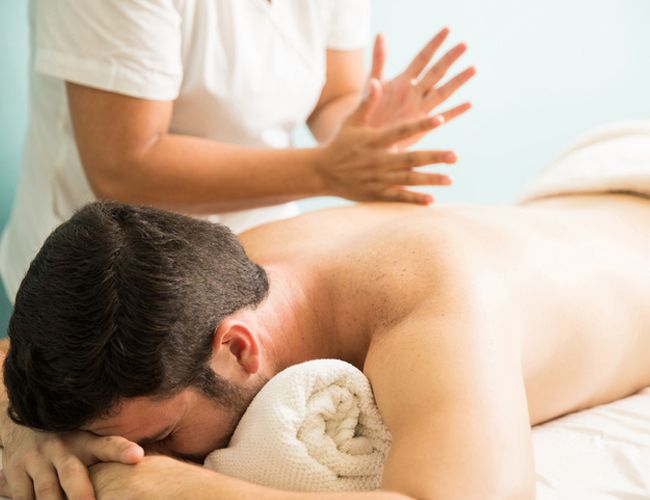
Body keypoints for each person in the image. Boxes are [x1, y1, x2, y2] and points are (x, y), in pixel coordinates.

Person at [2, 126, 650, 499]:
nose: (127, 455)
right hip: (573, 213)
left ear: (239, 348)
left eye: (162, 437)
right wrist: (30, 431)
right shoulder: (199, 281)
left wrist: (173, 486)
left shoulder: (430, 307)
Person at [0, 0, 475, 303]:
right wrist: (326, 172)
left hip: (258, 254)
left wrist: (364, 131)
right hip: (110, 273)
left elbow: (334, 95)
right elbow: (125, 166)